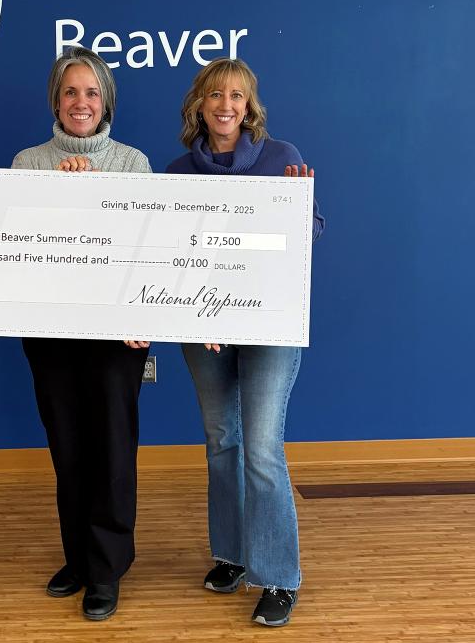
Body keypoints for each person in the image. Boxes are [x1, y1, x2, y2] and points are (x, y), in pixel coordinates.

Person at [165, 58, 324, 627]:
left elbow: (301, 244)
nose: (225, 105)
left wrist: (304, 211)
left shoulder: (284, 159)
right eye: (214, 95)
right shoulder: (178, 173)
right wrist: (197, 314)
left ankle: (279, 576)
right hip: (203, 333)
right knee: (221, 441)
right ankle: (232, 555)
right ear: (199, 105)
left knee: (260, 447)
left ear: (249, 105)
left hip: (269, 329)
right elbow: (174, 258)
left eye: (236, 95)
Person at [11, 47, 151, 621]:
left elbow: (145, 246)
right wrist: (60, 194)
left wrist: (90, 190)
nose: (81, 103)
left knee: (112, 449)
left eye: (92, 93)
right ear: (55, 99)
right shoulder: (27, 163)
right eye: (71, 92)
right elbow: (19, 245)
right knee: (68, 449)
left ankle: (107, 569)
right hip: (50, 330)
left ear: (106, 102)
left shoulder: (132, 163)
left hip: (117, 333)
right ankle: (78, 558)